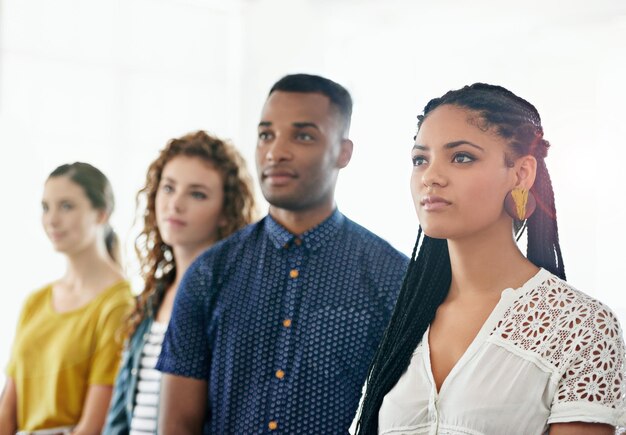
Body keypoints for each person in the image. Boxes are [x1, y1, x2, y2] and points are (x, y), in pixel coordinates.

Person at [352, 83, 626, 434]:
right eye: (420, 159)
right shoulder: (406, 319)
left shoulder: (580, 326)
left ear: (521, 173)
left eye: (461, 157)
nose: (430, 177)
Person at [155, 73, 409, 434]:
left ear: (343, 152)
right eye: (266, 135)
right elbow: (177, 424)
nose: (276, 152)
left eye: (303, 135)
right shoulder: (210, 272)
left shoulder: (391, 276)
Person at [103, 131, 257, 434]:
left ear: (226, 212)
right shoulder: (151, 298)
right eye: (169, 188)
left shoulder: (236, 302)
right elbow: (121, 414)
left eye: (196, 194)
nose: (175, 204)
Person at [0, 162, 134, 435]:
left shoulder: (118, 306)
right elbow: (6, 412)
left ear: (101, 214)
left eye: (66, 206)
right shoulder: (35, 302)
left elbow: (94, 427)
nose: (52, 219)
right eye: (46, 207)